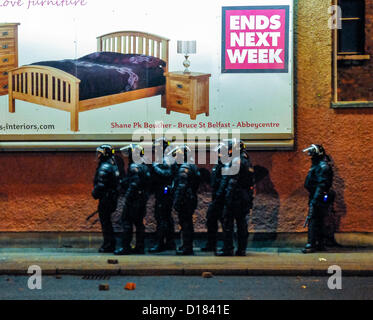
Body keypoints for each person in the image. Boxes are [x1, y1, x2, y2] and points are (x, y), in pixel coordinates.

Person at [216, 139, 255, 257]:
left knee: (227, 223)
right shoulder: (247, 161)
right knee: (242, 223)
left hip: (234, 197)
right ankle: (241, 249)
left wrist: (222, 197)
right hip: (244, 197)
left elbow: (230, 181)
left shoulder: (235, 161)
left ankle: (228, 249)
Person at [114, 144, 151, 255]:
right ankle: (140, 247)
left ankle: (126, 247)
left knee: (127, 222)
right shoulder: (144, 165)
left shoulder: (134, 166)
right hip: (142, 199)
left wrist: (127, 197)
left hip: (134, 200)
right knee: (139, 223)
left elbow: (134, 184)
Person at [302, 144, 334, 254]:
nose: (311, 157)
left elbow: (322, 185)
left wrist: (315, 199)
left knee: (313, 220)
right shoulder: (318, 165)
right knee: (318, 220)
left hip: (319, 197)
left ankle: (311, 244)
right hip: (315, 195)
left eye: (312, 154)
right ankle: (319, 243)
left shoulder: (322, 166)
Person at [169, 145, 200, 255]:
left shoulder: (184, 168)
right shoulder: (192, 166)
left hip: (185, 200)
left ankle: (187, 247)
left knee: (185, 224)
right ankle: (187, 246)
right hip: (190, 199)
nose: (176, 158)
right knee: (188, 223)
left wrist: (176, 202)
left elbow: (181, 187)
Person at [149, 137, 177, 253]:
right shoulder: (166, 158)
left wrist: (155, 167)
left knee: (161, 217)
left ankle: (160, 243)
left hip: (165, 192)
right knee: (166, 217)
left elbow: (168, 174)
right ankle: (170, 242)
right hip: (164, 192)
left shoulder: (167, 159)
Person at [92, 144, 121, 253]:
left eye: (100, 153)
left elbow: (101, 184)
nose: (98, 155)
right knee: (107, 221)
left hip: (106, 198)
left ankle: (108, 244)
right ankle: (110, 243)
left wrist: (94, 193)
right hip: (111, 197)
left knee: (105, 222)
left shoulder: (104, 166)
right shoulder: (113, 164)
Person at [201, 142, 229, 253]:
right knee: (211, 220)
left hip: (221, 198)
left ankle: (226, 246)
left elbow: (223, 182)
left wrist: (219, 196)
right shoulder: (219, 164)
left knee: (225, 223)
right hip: (217, 197)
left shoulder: (226, 164)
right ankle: (211, 244)